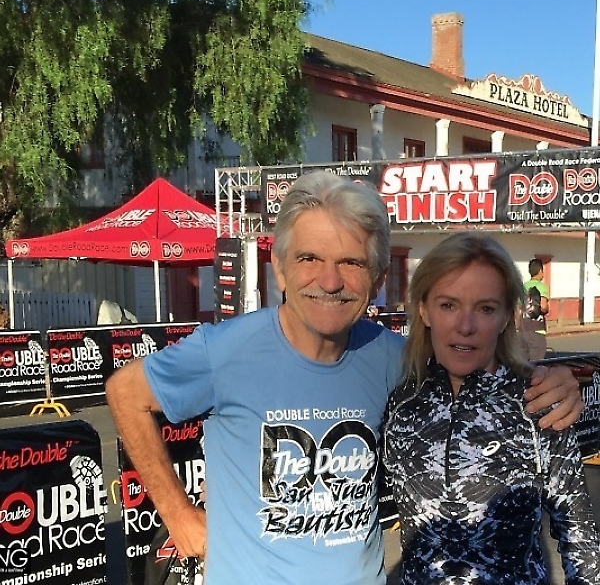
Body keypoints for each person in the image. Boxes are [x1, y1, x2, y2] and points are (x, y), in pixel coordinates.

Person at [106, 171, 583, 585]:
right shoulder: (226, 350)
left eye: (351, 263)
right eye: (309, 259)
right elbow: (125, 392)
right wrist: (177, 513)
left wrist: (552, 379)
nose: (330, 281)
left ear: (377, 279)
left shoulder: (394, 358)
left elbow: (476, 369)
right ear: (280, 270)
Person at [384, 232, 599, 584]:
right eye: (448, 305)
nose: (465, 326)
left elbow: (580, 540)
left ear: (506, 317)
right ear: (424, 309)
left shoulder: (539, 402)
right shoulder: (400, 402)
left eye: (485, 308)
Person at [521, 257, 550, 361]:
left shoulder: (522, 287)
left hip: (523, 330)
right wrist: (547, 309)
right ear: (540, 271)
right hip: (537, 330)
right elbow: (543, 307)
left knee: (523, 363)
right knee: (537, 364)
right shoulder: (541, 287)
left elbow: (517, 308)